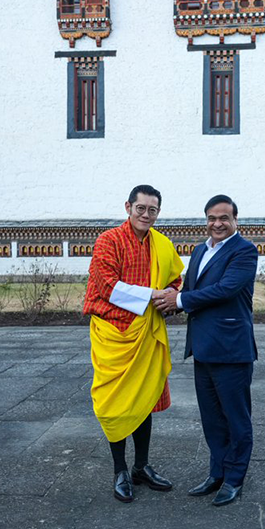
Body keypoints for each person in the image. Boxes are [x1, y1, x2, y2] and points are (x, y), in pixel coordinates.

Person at [82, 185, 185, 503]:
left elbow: (175, 279)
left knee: (144, 398)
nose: (146, 215)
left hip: (147, 332)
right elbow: (106, 285)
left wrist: (169, 298)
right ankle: (120, 470)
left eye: (152, 210)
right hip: (114, 333)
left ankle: (141, 466)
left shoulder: (163, 244)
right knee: (113, 403)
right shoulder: (108, 241)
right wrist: (151, 295)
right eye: (141, 208)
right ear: (128, 207)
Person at [161, 194, 259, 507]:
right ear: (206, 220)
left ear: (235, 221)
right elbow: (192, 289)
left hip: (232, 349)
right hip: (203, 347)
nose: (217, 223)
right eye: (212, 218)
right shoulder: (199, 249)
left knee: (236, 419)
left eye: (224, 218)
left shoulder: (245, 250)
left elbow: (226, 289)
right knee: (212, 419)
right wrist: (169, 301)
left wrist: (178, 301)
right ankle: (217, 472)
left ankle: (234, 479)